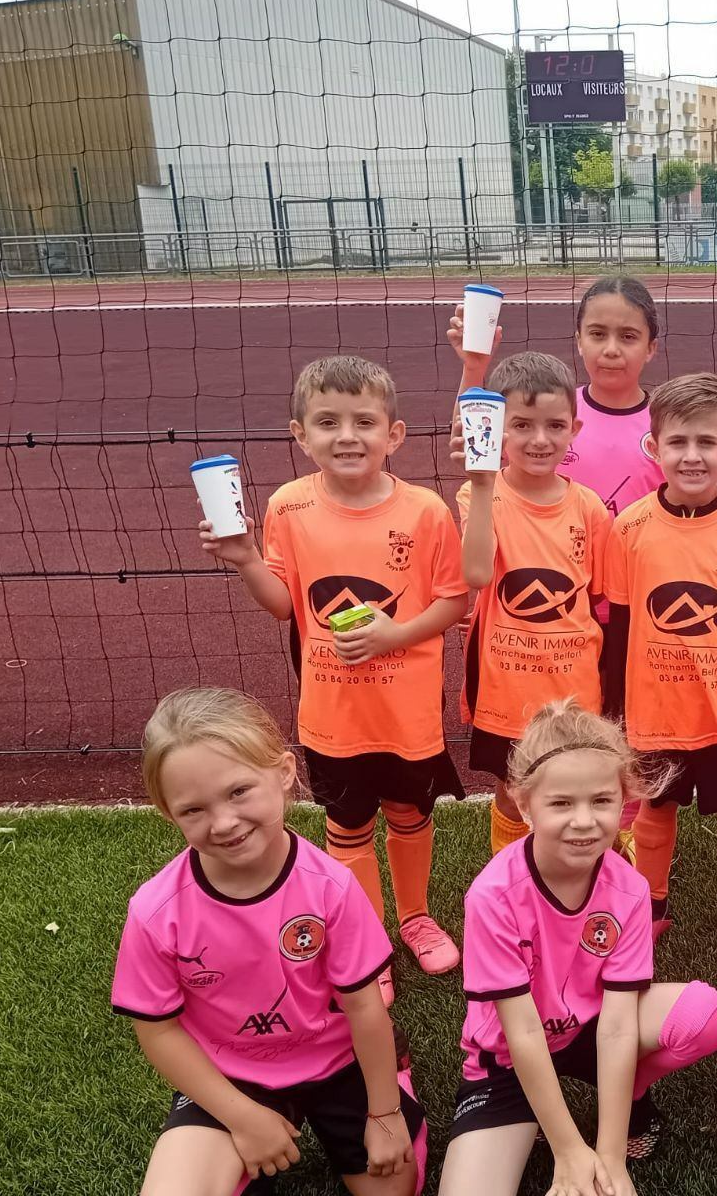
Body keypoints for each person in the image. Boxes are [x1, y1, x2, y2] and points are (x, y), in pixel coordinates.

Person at [201, 355, 470, 1002]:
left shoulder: (426, 511)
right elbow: (285, 605)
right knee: (348, 824)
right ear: (300, 434)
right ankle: (367, 937)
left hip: (407, 712)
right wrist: (245, 560)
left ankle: (415, 917)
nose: (347, 436)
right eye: (328, 422)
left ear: (394, 434)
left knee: (409, 813)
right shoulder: (289, 506)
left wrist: (393, 636)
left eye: (364, 422)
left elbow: (454, 601)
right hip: (332, 714)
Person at [113, 687, 426, 1196]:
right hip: (231, 1075)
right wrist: (243, 1117)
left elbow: (364, 1006)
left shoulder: (331, 887)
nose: (223, 823)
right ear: (169, 813)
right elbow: (159, 1031)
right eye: (193, 810)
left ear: (283, 773)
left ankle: (397, 1078)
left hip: (337, 1060)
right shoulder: (156, 911)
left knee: (392, 1189)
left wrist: (385, 1113)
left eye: (239, 791)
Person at [438, 698, 717, 1196]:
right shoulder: (492, 895)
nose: (584, 821)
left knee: (704, 1014)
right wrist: (570, 1150)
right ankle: (541, 1119)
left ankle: (627, 1096)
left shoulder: (630, 887)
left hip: (589, 1031)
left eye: (601, 801)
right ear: (524, 804)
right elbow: (522, 1032)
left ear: (624, 801)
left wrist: (610, 1156)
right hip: (509, 1056)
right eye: (560, 804)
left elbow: (617, 1026)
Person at [602, 373, 717, 938]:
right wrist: (613, 710)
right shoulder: (630, 528)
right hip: (654, 709)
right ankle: (651, 906)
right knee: (655, 807)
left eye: (707, 443)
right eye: (677, 442)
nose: (691, 456)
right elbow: (620, 627)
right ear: (653, 447)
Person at [450, 351, 613, 858]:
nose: (539, 440)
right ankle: (512, 874)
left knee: (574, 782)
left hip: (574, 683)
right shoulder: (479, 495)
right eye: (521, 425)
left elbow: (597, 598)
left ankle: (575, 871)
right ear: (497, 430)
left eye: (554, 426)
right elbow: (477, 575)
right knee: (513, 790)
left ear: (574, 429)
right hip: (507, 685)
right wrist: (482, 484)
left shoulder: (589, 507)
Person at [451, 275, 664, 518]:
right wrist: (474, 367)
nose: (611, 350)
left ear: (650, 348)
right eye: (598, 334)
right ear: (580, 341)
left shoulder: (667, 423)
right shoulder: (551, 412)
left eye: (628, 336)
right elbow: (471, 443)